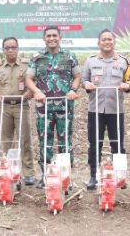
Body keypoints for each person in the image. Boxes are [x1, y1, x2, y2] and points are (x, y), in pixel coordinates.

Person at [25, 25, 81, 189]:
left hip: (65, 107)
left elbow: (77, 76)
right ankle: (46, 176)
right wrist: (36, 91)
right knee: (45, 142)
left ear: (60, 37)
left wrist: (73, 89)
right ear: (44, 38)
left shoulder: (70, 56)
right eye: (48, 36)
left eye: (54, 35)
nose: (51, 38)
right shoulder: (37, 57)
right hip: (44, 108)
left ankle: (65, 178)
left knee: (65, 142)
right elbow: (28, 78)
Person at [82, 29, 130, 190]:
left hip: (116, 109)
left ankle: (119, 176)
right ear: (99, 43)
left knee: (117, 144)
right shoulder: (90, 61)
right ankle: (93, 176)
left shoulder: (123, 61)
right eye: (103, 40)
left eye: (109, 39)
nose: (107, 42)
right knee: (94, 143)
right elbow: (84, 80)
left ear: (114, 42)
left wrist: (127, 85)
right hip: (95, 109)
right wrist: (86, 85)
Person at [0, 37, 36, 186]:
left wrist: (30, 92)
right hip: (4, 107)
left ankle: (28, 173)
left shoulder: (27, 65)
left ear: (18, 48)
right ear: (3, 50)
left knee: (25, 139)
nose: (10, 50)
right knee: (6, 140)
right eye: (7, 48)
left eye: (13, 47)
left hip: (22, 105)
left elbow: (34, 80)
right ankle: (9, 170)